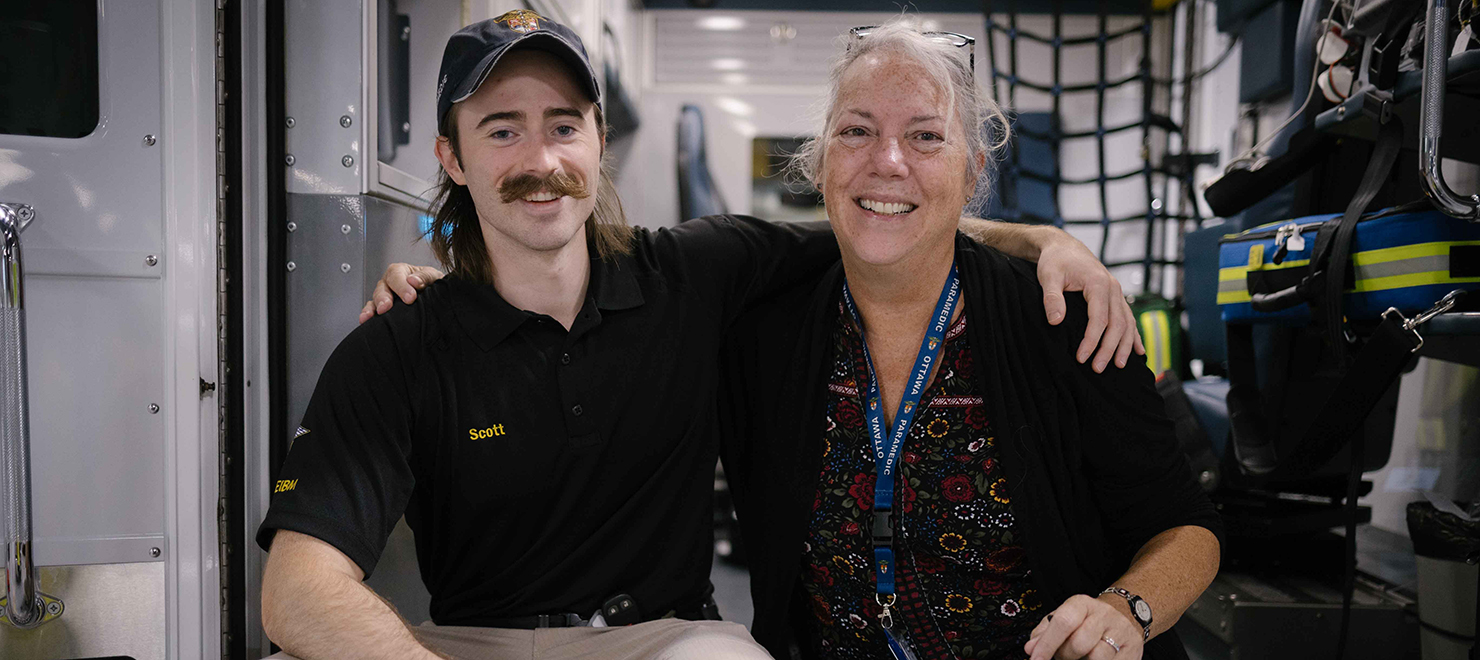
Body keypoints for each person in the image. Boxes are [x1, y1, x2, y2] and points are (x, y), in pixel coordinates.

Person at [264, 10, 1141, 660]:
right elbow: (296, 594)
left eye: (563, 126)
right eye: (502, 130)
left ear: (599, 142)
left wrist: (1046, 243)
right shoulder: (400, 344)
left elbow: (884, 217)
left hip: (663, 639)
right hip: (465, 642)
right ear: (452, 158)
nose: (540, 159)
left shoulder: (697, 272)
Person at [716, 22, 1222, 660]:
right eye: (857, 131)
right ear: (820, 162)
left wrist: (1125, 612)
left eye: (926, 136)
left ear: (971, 169)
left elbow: (1187, 528)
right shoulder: (764, 334)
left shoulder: (1065, 320)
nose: (888, 160)